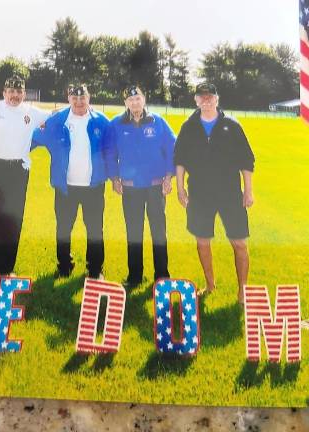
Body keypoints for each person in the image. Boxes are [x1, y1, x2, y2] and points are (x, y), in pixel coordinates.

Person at [174, 82, 255, 304]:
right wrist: (180, 188)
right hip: (199, 194)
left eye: (211, 96)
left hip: (230, 193)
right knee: (202, 241)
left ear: (217, 99)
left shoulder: (232, 125)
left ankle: (242, 292)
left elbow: (247, 160)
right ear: (196, 100)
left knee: (239, 243)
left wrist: (248, 191)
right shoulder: (188, 127)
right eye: (202, 97)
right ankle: (210, 285)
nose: (207, 100)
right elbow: (179, 159)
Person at [0, 76, 51, 284]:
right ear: (4, 92)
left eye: (19, 92)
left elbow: (56, 117)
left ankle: (6, 270)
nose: (15, 96)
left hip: (18, 169)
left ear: (24, 94)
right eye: (11, 91)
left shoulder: (31, 112)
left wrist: (81, 106)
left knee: (14, 219)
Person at [31, 84, 110, 279]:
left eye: (82, 97)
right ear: (69, 98)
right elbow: (32, 137)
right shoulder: (57, 120)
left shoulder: (101, 121)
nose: (79, 101)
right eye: (74, 98)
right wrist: (14, 154)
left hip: (94, 186)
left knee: (95, 229)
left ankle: (95, 269)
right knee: (64, 228)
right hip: (66, 187)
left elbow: (113, 148)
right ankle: (64, 265)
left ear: (88, 98)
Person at [104, 86, 176, 287]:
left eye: (138, 98)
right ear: (125, 103)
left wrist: (169, 176)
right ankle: (135, 275)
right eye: (130, 99)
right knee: (134, 232)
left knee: (159, 232)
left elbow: (172, 148)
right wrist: (115, 178)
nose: (135, 103)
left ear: (144, 99)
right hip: (130, 188)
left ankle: (162, 276)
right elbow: (110, 153)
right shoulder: (116, 124)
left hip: (155, 187)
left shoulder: (158, 122)